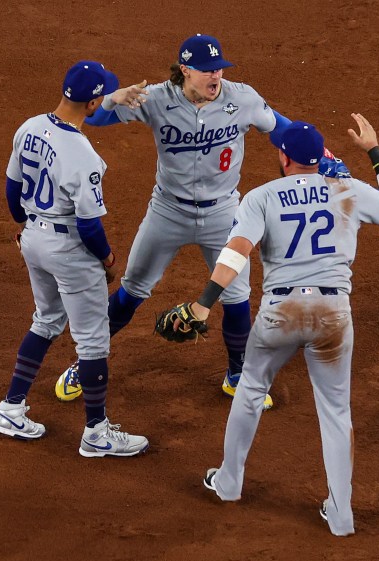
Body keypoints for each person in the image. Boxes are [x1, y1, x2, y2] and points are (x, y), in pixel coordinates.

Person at [52, 33, 353, 409]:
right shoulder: (155, 98)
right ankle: (87, 362)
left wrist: (322, 157)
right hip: (168, 211)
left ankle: (238, 374)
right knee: (132, 290)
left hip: (223, 213)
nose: (216, 76)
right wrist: (113, 98)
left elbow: (281, 128)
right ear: (185, 70)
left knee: (238, 297)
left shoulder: (241, 98)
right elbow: (94, 117)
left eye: (219, 69)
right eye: (207, 70)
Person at [186, 114, 379, 535]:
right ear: (319, 159)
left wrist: (204, 303)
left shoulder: (261, 197)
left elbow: (237, 251)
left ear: (284, 158)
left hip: (280, 311)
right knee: (336, 412)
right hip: (333, 312)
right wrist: (374, 152)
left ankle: (229, 483)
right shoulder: (346, 189)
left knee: (251, 389)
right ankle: (341, 516)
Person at [0, 60, 149, 458]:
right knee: (93, 341)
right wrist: (108, 260)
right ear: (93, 104)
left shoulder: (28, 127)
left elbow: (12, 190)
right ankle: (96, 433)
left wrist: (26, 225)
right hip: (68, 249)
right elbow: (90, 226)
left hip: (33, 239)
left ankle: (11, 408)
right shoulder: (82, 154)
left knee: (46, 320)